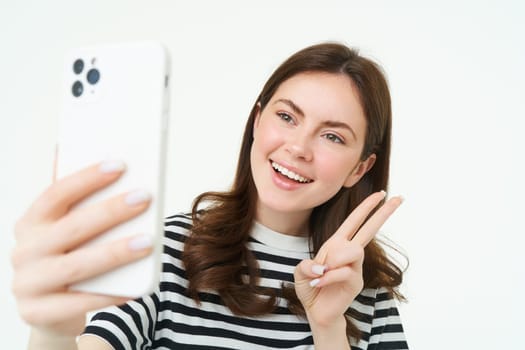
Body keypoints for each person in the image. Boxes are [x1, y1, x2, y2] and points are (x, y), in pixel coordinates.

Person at [12, 42, 408, 349]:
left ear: (359, 169)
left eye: (332, 136)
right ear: (257, 121)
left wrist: (329, 331)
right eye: (286, 117)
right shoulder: (171, 249)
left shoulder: (366, 287)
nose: (299, 147)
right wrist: (51, 332)